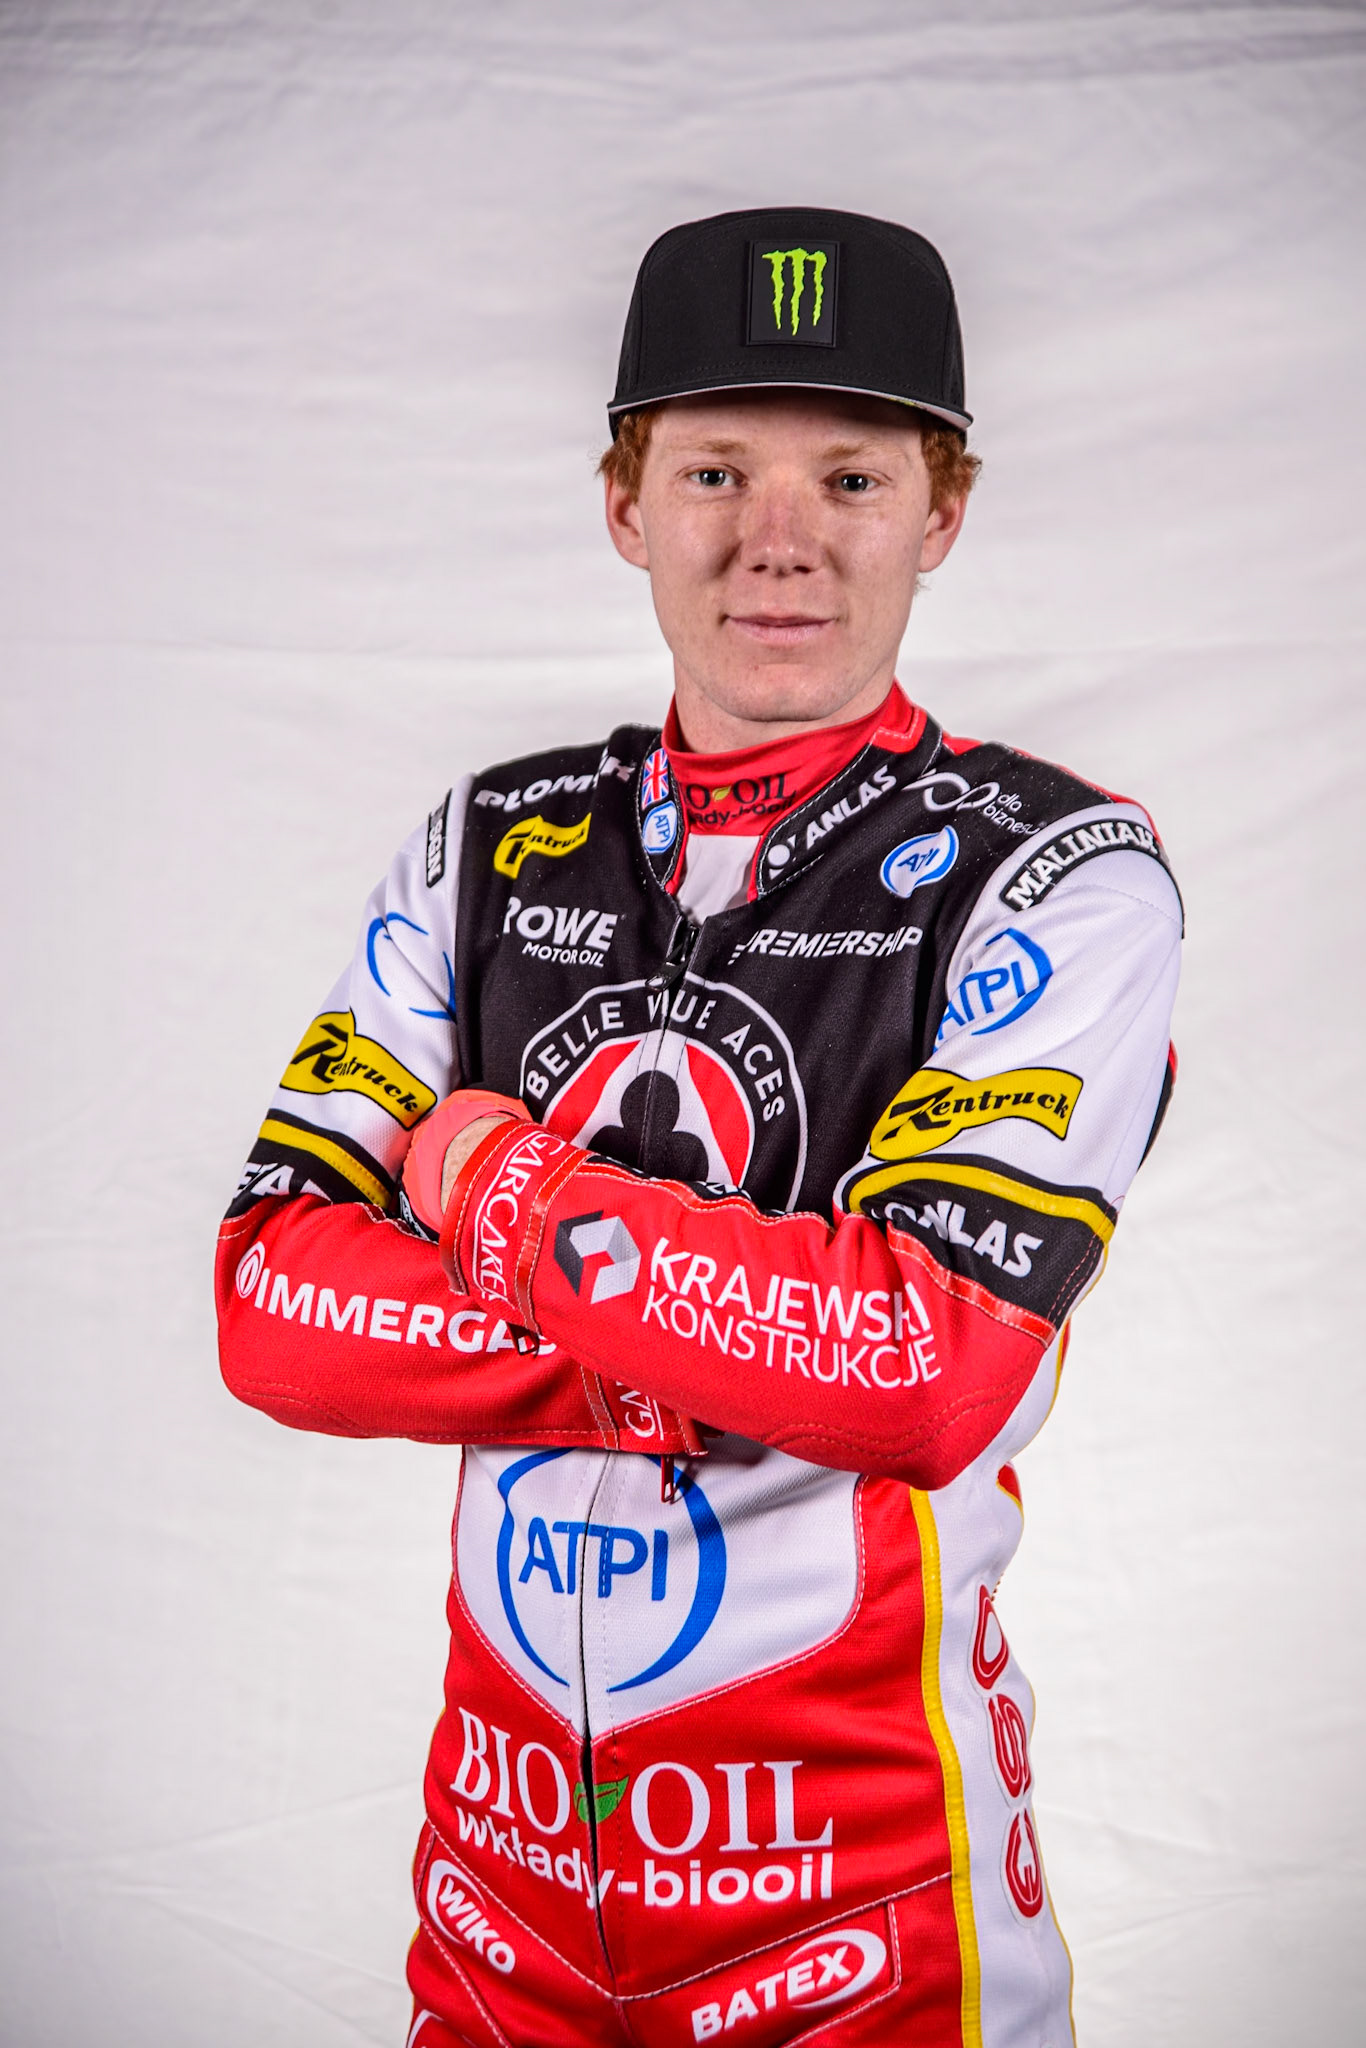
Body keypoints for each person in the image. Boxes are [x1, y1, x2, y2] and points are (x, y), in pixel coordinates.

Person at [216, 207, 1182, 2048]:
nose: (780, 539)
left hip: (867, 1908)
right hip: (494, 1896)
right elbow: (266, 1300)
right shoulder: (484, 841)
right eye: (716, 468)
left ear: (942, 513)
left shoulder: (1055, 870)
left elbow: (916, 1367)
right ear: (624, 503)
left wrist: (481, 1183)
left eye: (851, 474)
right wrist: (719, 1351)